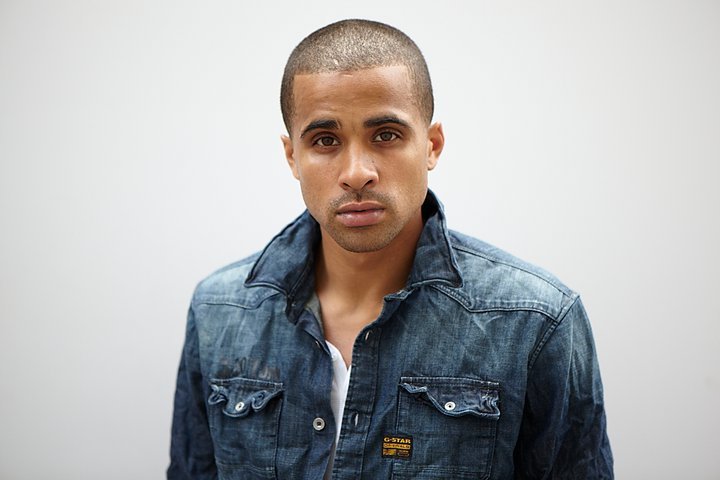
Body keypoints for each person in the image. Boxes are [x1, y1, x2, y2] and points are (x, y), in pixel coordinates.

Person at [168, 19, 613, 480]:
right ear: (292, 157)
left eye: (385, 135)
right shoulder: (219, 310)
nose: (356, 173)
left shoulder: (536, 320)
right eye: (325, 141)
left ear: (432, 146)